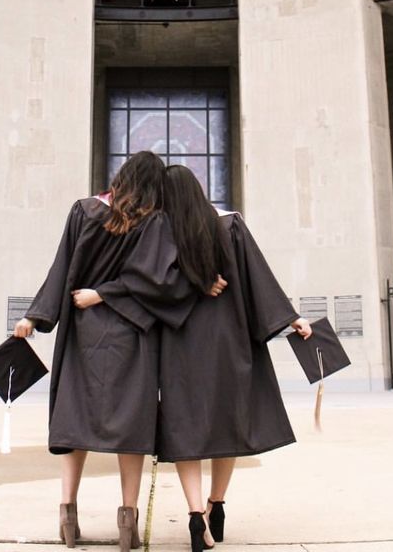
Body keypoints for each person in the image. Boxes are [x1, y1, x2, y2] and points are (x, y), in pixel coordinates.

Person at [13, 151, 214, 552]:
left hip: (83, 333)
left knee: (75, 423)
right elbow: (158, 281)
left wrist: (35, 317)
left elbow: (61, 268)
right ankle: (128, 523)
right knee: (131, 429)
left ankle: (68, 515)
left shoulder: (85, 210)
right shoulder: (155, 222)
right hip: (133, 334)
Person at [158, 164, 312, 552]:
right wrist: (291, 318)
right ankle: (217, 505)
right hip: (228, 342)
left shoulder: (160, 233)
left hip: (179, 346)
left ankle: (195, 516)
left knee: (185, 430)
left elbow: (146, 284)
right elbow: (258, 277)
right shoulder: (230, 225)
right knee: (226, 424)